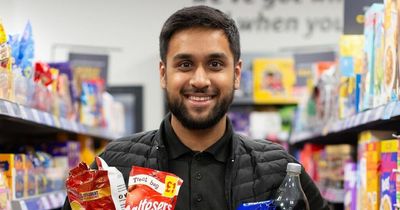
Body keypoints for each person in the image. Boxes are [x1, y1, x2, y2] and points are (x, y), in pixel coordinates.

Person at [63, 5, 329, 210]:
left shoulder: (279, 170)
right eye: (185, 64)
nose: (200, 80)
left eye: (215, 64)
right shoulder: (114, 164)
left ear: (236, 74)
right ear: (163, 74)